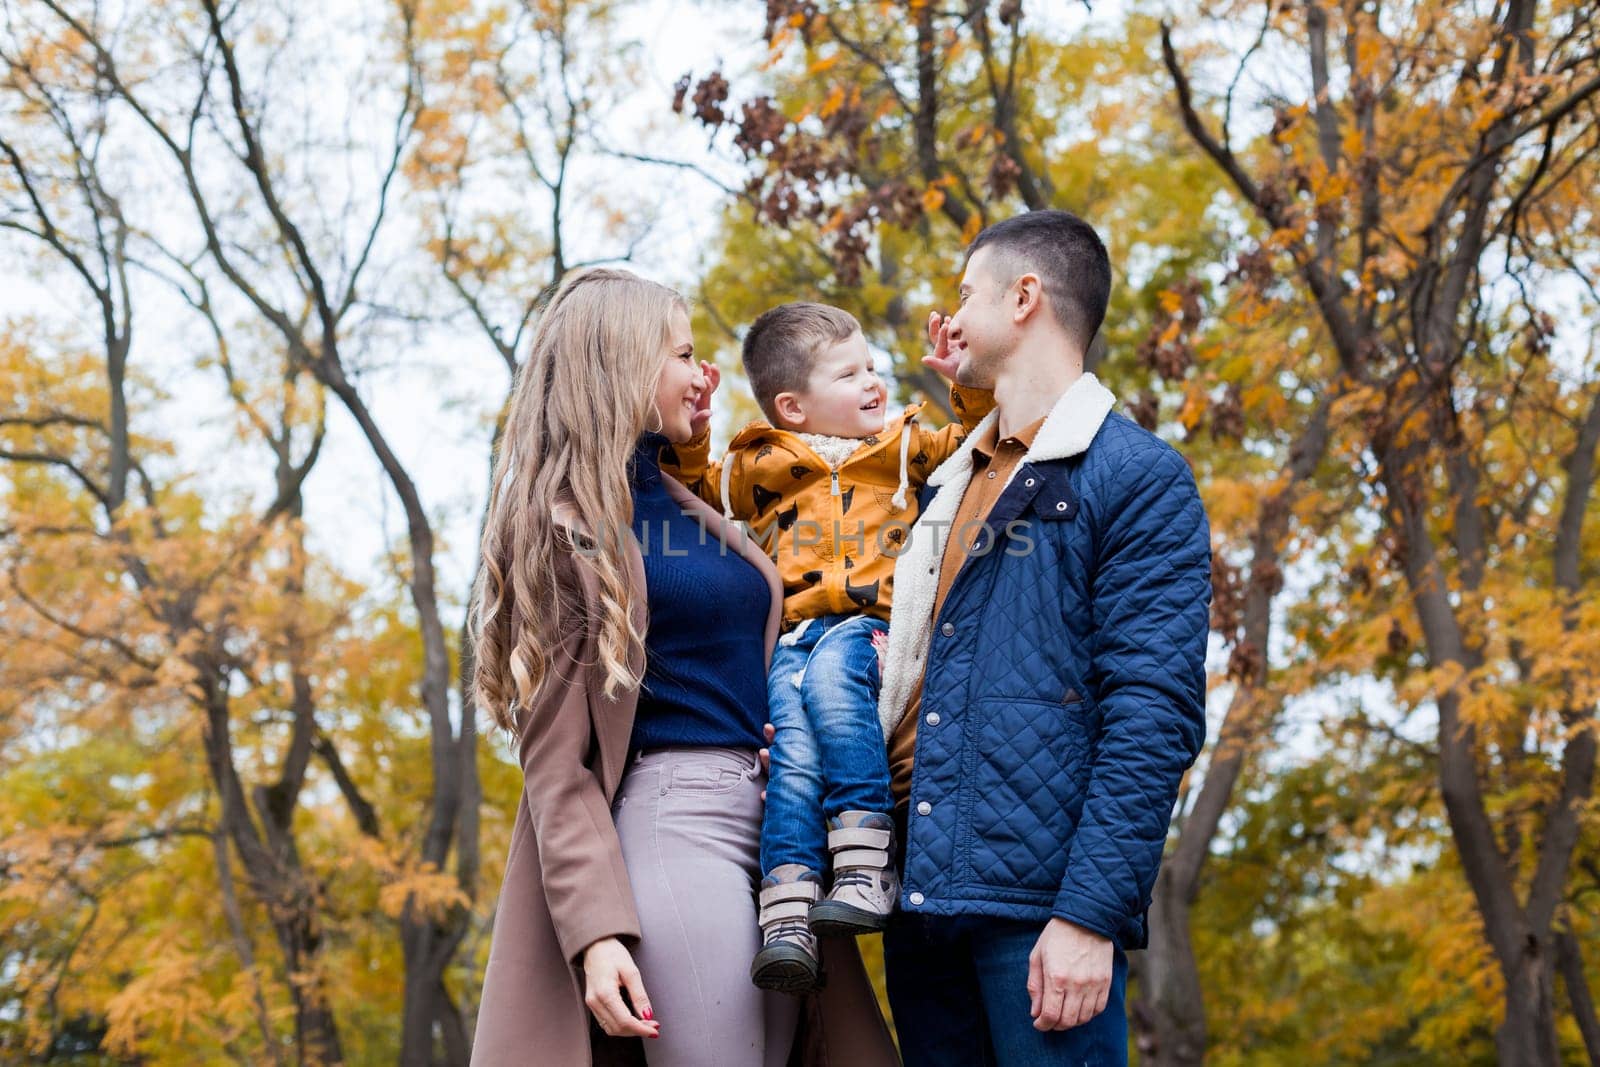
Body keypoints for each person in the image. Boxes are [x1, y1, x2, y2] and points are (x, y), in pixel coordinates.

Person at [468, 268, 897, 1067]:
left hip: (778, 835)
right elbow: (554, 767)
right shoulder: (565, 528)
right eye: (683, 354)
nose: (704, 375)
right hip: (677, 825)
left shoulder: (684, 502)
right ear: (623, 363)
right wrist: (596, 934)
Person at [875, 210, 1212, 1065]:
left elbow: (1153, 714)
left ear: (1024, 296)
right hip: (922, 898)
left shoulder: (1136, 477)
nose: (949, 316)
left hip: (1040, 913)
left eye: (964, 294)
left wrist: (1090, 913)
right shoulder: (952, 481)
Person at [659, 302, 992, 993]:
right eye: (849, 374)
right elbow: (691, 490)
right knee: (792, 757)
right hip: (797, 641)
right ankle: (787, 910)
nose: (873, 382)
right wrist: (693, 433)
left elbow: (972, 441)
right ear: (795, 407)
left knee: (836, 676)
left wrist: (964, 379)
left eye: (871, 367)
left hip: (874, 630)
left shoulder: (901, 447)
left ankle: (867, 858)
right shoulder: (759, 463)